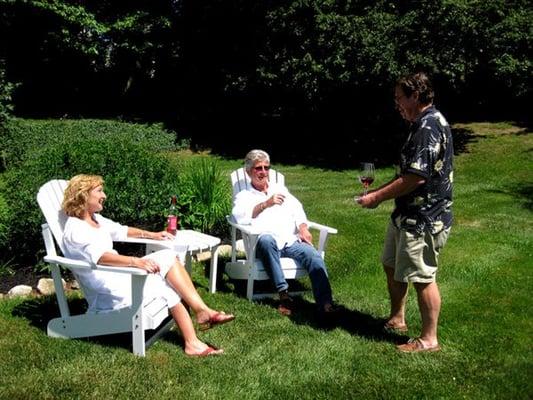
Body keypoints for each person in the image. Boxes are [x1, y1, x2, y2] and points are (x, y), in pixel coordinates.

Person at [61, 174, 235, 357]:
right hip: (107, 289)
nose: (104, 195)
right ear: (84, 195)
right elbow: (100, 257)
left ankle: (201, 316)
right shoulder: (76, 229)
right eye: (99, 191)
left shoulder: (96, 219)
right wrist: (136, 262)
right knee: (166, 283)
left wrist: (152, 235)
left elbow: (122, 230)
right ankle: (195, 336)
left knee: (168, 258)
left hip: (118, 275)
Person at [358, 72, 453, 353]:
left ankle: (428, 339)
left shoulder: (427, 126)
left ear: (415, 96)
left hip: (424, 218)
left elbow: (415, 177)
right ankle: (398, 318)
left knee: (423, 277)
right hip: (406, 214)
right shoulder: (422, 123)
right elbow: (407, 173)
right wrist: (380, 195)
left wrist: (376, 196)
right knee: (391, 263)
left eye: (399, 97)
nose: (396, 103)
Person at [231, 149, 336, 319]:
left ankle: (325, 303)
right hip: (264, 243)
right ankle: (284, 295)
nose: (263, 172)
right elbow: (239, 217)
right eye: (259, 168)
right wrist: (266, 203)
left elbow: (297, 208)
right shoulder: (244, 195)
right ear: (248, 171)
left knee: (314, 256)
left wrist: (302, 227)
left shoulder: (279, 188)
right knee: (266, 240)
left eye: (266, 167)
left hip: (290, 240)